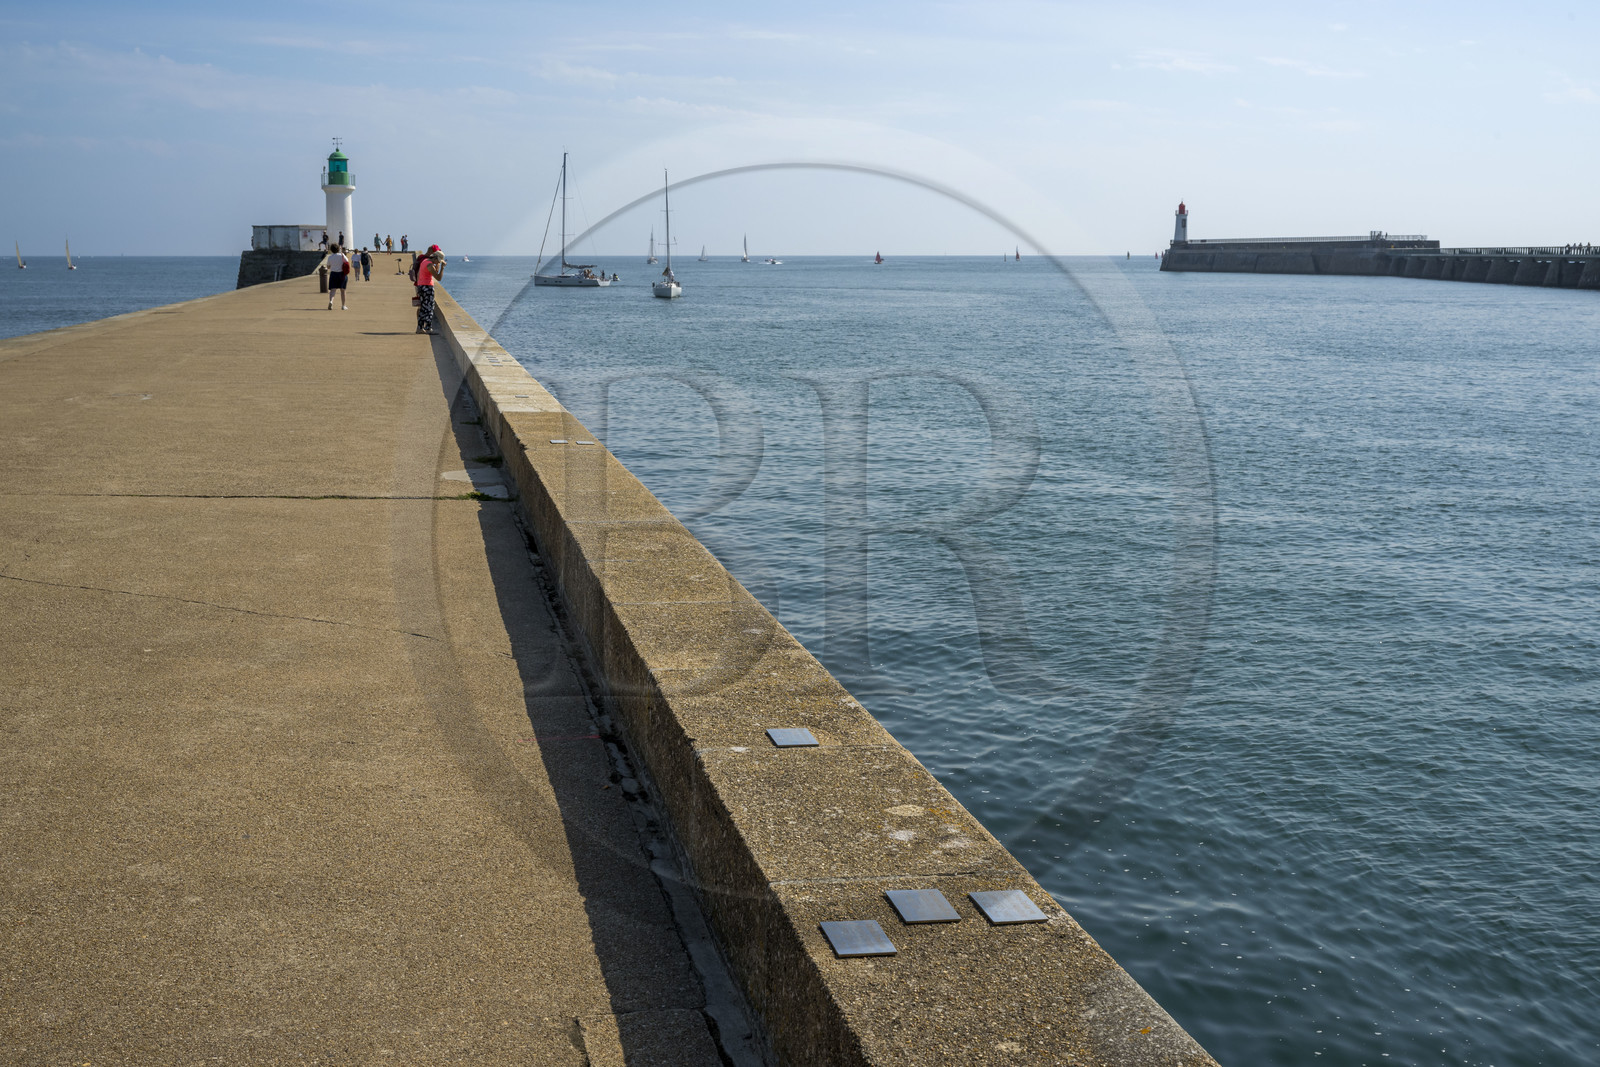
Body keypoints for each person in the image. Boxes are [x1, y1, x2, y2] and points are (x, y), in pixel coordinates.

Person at [412, 244, 444, 334]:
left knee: (423, 308)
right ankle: (428, 328)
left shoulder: (424, 261)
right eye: (438, 261)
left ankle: (420, 328)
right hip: (427, 287)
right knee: (429, 308)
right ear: (436, 258)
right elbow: (438, 277)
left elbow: (420, 274)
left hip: (421, 286)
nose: (438, 262)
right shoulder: (429, 265)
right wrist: (442, 268)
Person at [323, 244, 351, 310]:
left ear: (331, 250)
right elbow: (347, 262)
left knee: (333, 290)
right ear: (338, 249)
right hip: (341, 274)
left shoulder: (330, 257)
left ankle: (331, 301)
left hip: (333, 274)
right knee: (343, 290)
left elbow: (328, 266)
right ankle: (343, 306)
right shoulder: (341, 255)